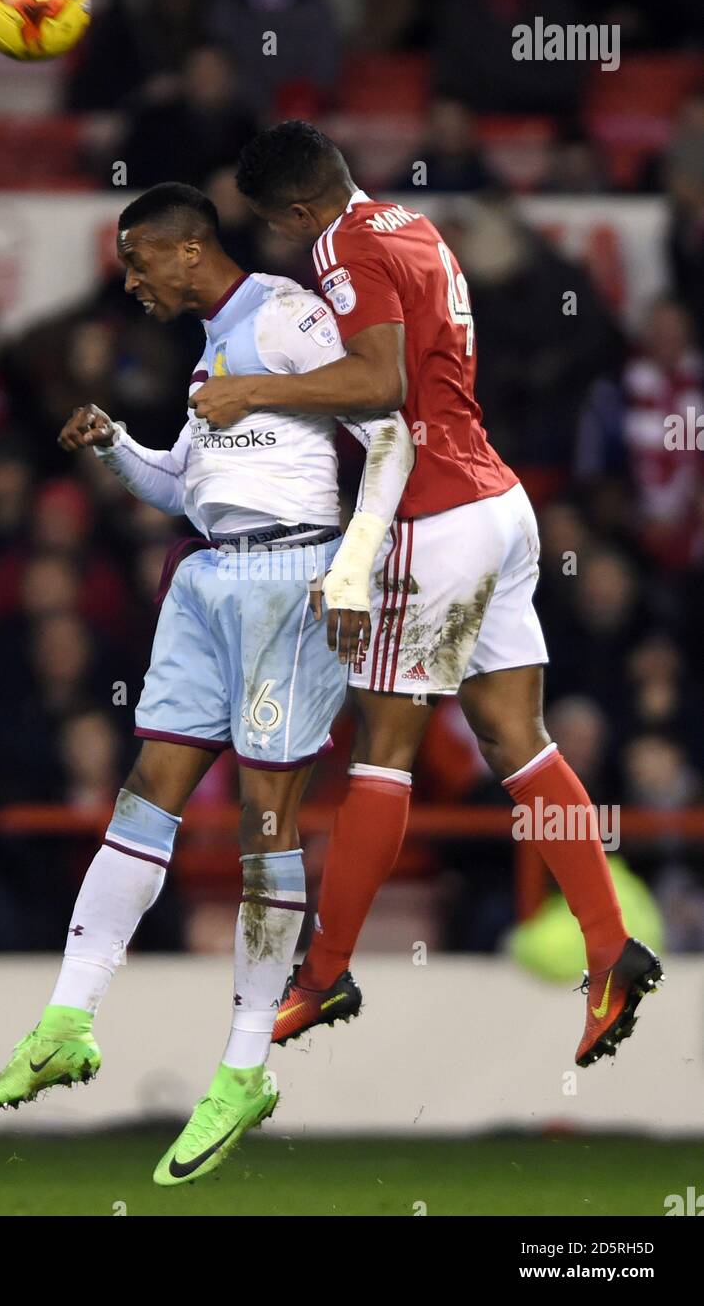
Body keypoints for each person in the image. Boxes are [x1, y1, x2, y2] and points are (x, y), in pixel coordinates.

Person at [190, 121, 663, 1069]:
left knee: (386, 750)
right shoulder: (409, 223)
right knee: (513, 738)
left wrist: (252, 396)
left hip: (434, 517)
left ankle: (324, 974)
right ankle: (611, 947)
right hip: (498, 502)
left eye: (276, 228)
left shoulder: (343, 245)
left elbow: (380, 379)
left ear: (292, 211)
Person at [0, 183, 413, 1184]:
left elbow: (384, 423)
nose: (126, 282)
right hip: (207, 577)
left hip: (287, 579)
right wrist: (117, 449)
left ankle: (244, 1065)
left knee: (266, 819)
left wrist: (350, 567)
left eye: (135, 261)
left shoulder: (288, 314)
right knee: (145, 796)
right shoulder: (211, 352)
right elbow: (187, 486)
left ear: (182, 252)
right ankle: (68, 1018)